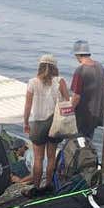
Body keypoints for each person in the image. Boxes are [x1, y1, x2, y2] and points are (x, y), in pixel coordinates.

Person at [22, 54, 70, 194]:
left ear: (40, 66)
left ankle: (36, 187)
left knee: (38, 158)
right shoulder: (60, 81)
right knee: (51, 157)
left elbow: (27, 106)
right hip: (55, 123)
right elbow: (67, 102)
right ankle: (48, 185)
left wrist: (25, 122)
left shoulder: (32, 82)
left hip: (38, 124)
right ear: (55, 67)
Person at [70, 41, 104, 141]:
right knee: (87, 142)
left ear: (78, 54)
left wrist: (69, 111)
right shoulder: (100, 67)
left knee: (76, 143)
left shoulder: (80, 70)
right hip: (95, 114)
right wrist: (103, 105)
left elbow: (76, 96)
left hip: (82, 116)